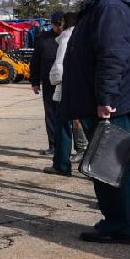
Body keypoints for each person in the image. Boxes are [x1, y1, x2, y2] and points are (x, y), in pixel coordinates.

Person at [60, 0, 130, 244]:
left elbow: (113, 56)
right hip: (103, 101)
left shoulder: (110, 7)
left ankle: (121, 225)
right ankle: (123, 222)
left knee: (110, 166)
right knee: (109, 166)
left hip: (110, 104)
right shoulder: (99, 7)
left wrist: (106, 99)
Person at [45, 11, 81, 175]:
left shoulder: (66, 38)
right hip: (81, 88)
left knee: (63, 128)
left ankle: (61, 165)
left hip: (66, 90)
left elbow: (59, 66)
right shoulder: (83, 36)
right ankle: (95, 167)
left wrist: (54, 80)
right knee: (87, 128)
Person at [30, 12, 63, 157]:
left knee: (70, 116)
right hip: (49, 83)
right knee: (51, 114)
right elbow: (35, 62)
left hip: (67, 82)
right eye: (56, 24)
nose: (58, 27)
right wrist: (35, 82)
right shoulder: (43, 39)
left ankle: (78, 148)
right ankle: (54, 145)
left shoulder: (71, 37)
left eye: (60, 24)